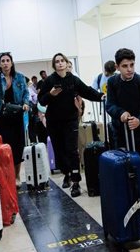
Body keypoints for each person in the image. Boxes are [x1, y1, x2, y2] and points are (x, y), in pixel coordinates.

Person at [38, 53, 103, 197]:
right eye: (57, 61)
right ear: (54, 65)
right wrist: (51, 94)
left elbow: (87, 91)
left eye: (62, 61)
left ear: (67, 63)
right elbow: (41, 101)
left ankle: (75, 181)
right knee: (59, 150)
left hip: (70, 120)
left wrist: (100, 96)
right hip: (54, 122)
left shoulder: (73, 80)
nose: (60, 63)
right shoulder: (49, 81)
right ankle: (66, 173)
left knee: (72, 150)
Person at [105, 48, 140, 181]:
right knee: (123, 167)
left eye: (132, 65)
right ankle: (128, 199)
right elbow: (109, 105)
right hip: (121, 132)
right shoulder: (112, 82)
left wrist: (139, 119)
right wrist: (120, 113)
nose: (129, 69)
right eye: (125, 66)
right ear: (117, 67)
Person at [0, 52, 30, 188]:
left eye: (7, 60)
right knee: (4, 146)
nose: (5, 63)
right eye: (2, 61)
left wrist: (26, 103)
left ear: (12, 63)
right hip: (1, 116)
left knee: (18, 146)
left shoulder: (20, 77)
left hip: (17, 115)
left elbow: (26, 93)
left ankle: (16, 176)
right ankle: (6, 176)